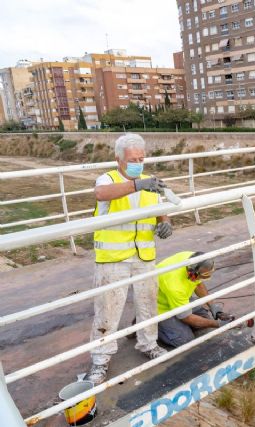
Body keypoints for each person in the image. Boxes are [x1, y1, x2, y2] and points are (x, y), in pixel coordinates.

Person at [88, 133, 172, 385]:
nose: (138, 162)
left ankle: (148, 344)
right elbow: (102, 194)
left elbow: (161, 211)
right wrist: (137, 185)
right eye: (133, 159)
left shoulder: (149, 182)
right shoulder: (109, 179)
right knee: (108, 310)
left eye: (141, 158)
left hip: (143, 255)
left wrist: (166, 223)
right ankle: (100, 360)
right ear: (118, 159)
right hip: (113, 258)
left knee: (148, 304)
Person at [156, 251, 235, 348]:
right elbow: (186, 317)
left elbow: (198, 283)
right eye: (202, 276)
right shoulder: (174, 285)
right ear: (192, 273)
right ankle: (153, 326)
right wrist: (218, 324)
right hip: (159, 306)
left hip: (178, 297)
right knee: (185, 341)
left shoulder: (193, 259)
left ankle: (175, 325)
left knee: (204, 321)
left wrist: (212, 306)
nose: (202, 279)